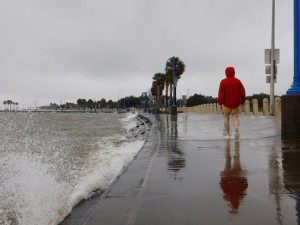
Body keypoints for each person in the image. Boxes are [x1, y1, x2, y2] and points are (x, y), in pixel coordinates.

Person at [218, 67, 246, 140]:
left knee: (226, 118)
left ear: (226, 73)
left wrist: (220, 103)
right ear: (234, 72)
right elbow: (243, 92)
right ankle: (236, 128)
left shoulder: (223, 82)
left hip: (226, 104)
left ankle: (227, 135)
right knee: (235, 117)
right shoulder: (238, 81)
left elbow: (221, 94)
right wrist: (242, 101)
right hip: (236, 103)